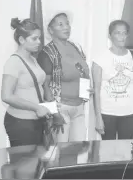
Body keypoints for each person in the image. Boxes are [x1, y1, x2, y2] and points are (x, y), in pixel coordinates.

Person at [37, 10, 94, 142]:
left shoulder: (76, 46)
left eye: (67, 24)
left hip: (79, 107)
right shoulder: (47, 53)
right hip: (60, 109)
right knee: (60, 154)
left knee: (79, 151)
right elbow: (45, 86)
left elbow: (82, 72)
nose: (66, 27)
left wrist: (88, 90)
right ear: (50, 30)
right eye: (60, 24)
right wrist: (54, 113)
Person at [92, 20, 133, 140]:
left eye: (124, 33)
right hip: (107, 112)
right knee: (108, 150)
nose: (121, 36)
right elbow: (96, 90)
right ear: (110, 35)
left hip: (131, 112)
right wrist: (98, 117)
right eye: (117, 33)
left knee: (127, 148)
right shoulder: (100, 58)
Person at [1, 18, 51, 147]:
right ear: (22, 40)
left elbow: (34, 90)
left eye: (39, 38)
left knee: (36, 164)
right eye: (34, 39)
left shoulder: (32, 59)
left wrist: (49, 107)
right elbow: (6, 96)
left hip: (36, 121)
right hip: (21, 122)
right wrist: (36, 107)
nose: (39, 42)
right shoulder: (14, 62)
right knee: (25, 165)